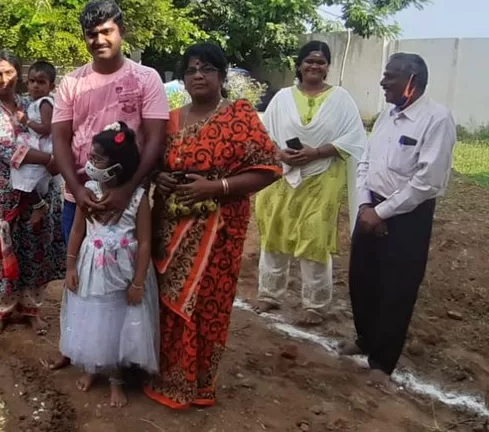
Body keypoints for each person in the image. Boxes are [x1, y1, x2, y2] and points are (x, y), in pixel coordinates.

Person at [143, 43, 281, 409]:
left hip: (219, 230)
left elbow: (269, 169)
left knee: (207, 304)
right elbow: (154, 164)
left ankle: (198, 382)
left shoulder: (239, 116)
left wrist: (216, 187)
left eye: (207, 69)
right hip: (169, 227)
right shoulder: (170, 119)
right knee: (166, 300)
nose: (198, 76)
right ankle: (164, 373)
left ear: (221, 75)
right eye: (191, 70)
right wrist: (160, 177)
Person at [340, 53, 455, 389]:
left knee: (396, 289)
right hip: (370, 207)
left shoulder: (437, 119)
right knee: (362, 280)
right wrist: (366, 205)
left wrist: (382, 213)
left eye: (390, 76)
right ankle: (365, 339)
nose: (382, 82)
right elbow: (366, 162)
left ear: (412, 81)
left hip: (407, 217)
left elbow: (427, 182)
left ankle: (382, 362)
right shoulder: (386, 116)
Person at [253, 41, 368, 325]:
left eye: (321, 61)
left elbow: (354, 137)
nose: (314, 66)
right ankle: (269, 294)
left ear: (327, 67)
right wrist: (280, 154)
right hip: (282, 177)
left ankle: (315, 305)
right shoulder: (282, 98)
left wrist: (315, 152)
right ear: (299, 64)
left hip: (323, 176)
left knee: (315, 239)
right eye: (309, 60)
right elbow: (264, 136)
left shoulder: (341, 99)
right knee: (275, 232)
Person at [59, 121, 159, 408]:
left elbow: (145, 242)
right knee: (92, 315)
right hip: (92, 269)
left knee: (118, 321)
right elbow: (77, 231)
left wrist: (138, 282)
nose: (90, 162)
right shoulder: (88, 190)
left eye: (97, 159)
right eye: (90, 156)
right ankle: (92, 367)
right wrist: (71, 267)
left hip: (124, 272)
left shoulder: (137, 198)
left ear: (118, 166)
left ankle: (116, 378)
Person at [51, 0, 169, 240]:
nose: (99, 40)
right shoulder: (71, 83)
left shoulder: (147, 78)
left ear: (121, 30)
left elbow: (155, 139)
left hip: (131, 200)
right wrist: (78, 190)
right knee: (78, 263)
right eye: (91, 34)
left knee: (130, 263)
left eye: (106, 31)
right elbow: (60, 140)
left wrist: (127, 189)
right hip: (80, 201)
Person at [0, 49, 67, 334]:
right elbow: (2, 148)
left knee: (36, 250)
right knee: (3, 253)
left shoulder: (32, 103)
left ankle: (31, 308)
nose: (4, 80)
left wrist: (54, 159)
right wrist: (48, 159)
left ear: (18, 74)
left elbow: (52, 132)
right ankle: (3, 308)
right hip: (1, 192)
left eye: (9, 72)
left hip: (38, 192)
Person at [13, 61, 58, 227]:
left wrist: (26, 121)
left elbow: (46, 128)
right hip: (36, 142)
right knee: (22, 177)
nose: (35, 86)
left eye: (41, 82)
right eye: (32, 81)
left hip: (42, 145)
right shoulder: (32, 102)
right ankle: (38, 204)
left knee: (22, 176)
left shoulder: (45, 103)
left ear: (51, 86)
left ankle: (39, 206)